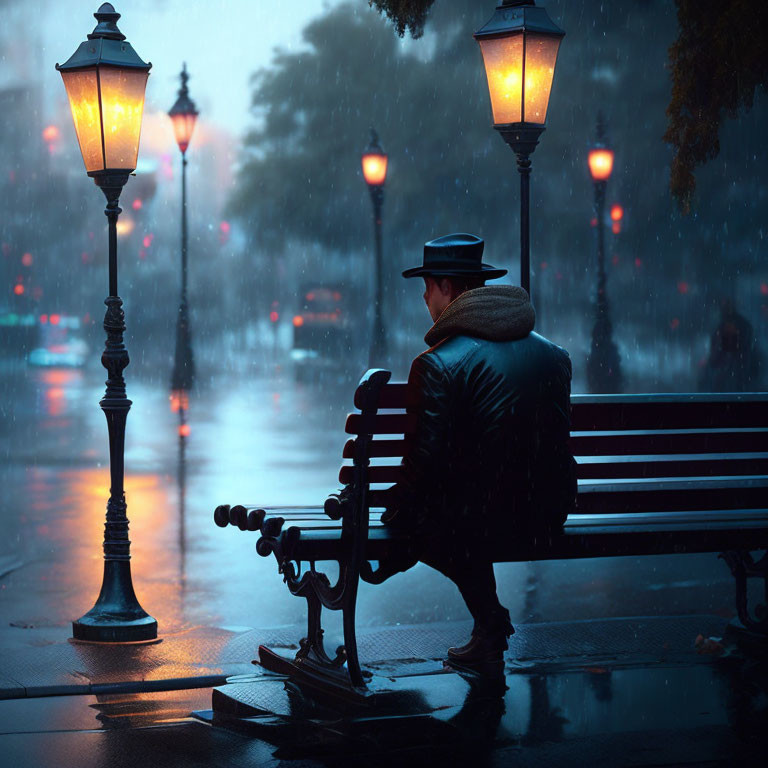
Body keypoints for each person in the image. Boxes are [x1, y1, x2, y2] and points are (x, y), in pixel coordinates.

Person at [383, 233, 577, 666]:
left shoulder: (437, 363)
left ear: (447, 289)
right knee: (468, 502)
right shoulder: (554, 355)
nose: (424, 296)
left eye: (428, 286)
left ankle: (489, 622)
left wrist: (394, 525)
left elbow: (422, 467)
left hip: (486, 524)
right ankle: (488, 626)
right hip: (549, 512)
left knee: (437, 514)